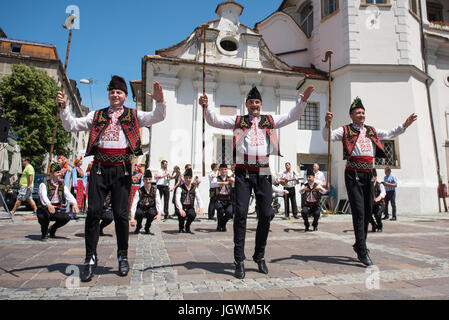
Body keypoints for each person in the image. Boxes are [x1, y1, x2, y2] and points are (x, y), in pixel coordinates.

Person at [57, 75, 167, 282]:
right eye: (112, 92)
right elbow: (71, 125)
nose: (115, 95)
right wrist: (64, 109)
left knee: (121, 215)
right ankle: (90, 257)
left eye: (119, 92)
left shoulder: (133, 115)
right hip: (99, 168)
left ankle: (122, 255)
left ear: (125, 97)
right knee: (93, 213)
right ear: (109, 95)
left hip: (122, 170)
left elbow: (157, 117)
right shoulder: (96, 115)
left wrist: (160, 101)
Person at [201, 84, 314, 279]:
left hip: (263, 172)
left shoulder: (269, 120)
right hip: (243, 173)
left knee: (267, 214)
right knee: (241, 215)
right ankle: (239, 260)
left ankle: (259, 255)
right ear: (246, 104)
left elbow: (291, 117)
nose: (255, 105)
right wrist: (207, 106)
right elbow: (214, 121)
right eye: (252, 102)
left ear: (261, 105)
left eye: (258, 102)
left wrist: (302, 102)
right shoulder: (239, 121)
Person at [323, 96, 417, 266]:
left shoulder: (371, 131)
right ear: (351, 115)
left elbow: (389, 133)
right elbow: (327, 137)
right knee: (359, 211)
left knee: (367, 211)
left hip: (368, 173)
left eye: (363, 112)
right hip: (353, 173)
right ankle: (362, 249)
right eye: (358, 112)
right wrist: (327, 123)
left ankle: (359, 244)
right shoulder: (345, 130)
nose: (361, 115)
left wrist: (405, 125)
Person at [37, 163, 79, 240]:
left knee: (66, 217)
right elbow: (43, 197)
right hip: (43, 209)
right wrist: (49, 205)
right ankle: (44, 233)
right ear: (52, 174)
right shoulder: (44, 184)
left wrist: (74, 203)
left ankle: (52, 229)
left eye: (60, 172)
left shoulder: (62, 184)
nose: (60, 174)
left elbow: (68, 195)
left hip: (55, 209)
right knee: (45, 217)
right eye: (58, 172)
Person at [130, 169, 162, 234]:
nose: (148, 181)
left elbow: (158, 202)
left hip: (150, 208)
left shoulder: (156, 190)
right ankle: (138, 226)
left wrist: (159, 213)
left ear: (151, 180)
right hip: (141, 208)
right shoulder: (139, 191)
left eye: (149, 179)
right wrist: (132, 218)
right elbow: (134, 204)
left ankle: (147, 227)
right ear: (143, 180)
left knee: (152, 213)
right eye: (146, 179)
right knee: (139, 213)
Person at [175, 168, 204, 234]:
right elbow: (177, 199)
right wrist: (180, 209)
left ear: (191, 179)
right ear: (184, 178)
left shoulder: (194, 188)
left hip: (189, 206)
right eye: (186, 178)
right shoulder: (180, 188)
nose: (188, 179)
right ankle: (181, 227)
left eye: (189, 178)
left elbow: (199, 198)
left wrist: (201, 207)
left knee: (192, 214)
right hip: (182, 205)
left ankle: (187, 226)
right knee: (181, 215)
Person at [211, 164, 234, 232]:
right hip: (219, 199)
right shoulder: (216, 178)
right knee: (220, 210)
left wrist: (233, 181)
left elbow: (236, 182)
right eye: (222, 169)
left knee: (229, 212)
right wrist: (223, 183)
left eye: (225, 169)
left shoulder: (230, 178)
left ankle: (223, 224)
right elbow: (212, 184)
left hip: (228, 199)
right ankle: (219, 226)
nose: (224, 171)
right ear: (219, 170)